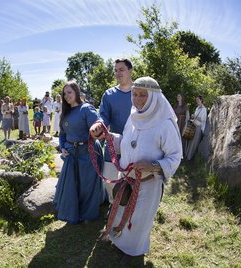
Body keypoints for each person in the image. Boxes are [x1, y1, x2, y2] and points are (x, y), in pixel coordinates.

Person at [90, 76, 182, 266]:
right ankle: (119, 242)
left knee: (138, 220)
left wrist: (153, 166)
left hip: (148, 183)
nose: (138, 99)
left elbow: (175, 156)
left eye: (143, 95)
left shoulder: (165, 124)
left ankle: (134, 253)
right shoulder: (133, 117)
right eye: (135, 94)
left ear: (154, 98)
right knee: (121, 211)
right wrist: (107, 136)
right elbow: (126, 142)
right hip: (126, 179)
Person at [53, 81, 104, 224]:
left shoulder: (86, 109)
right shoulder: (65, 113)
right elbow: (62, 134)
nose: (66, 96)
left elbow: (97, 124)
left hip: (88, 152)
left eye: (69, 92)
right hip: (71, 154)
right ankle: (74, 212)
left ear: (76, 92)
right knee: (73, 185)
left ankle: (88, 214)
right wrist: (62, 147)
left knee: (87, 185)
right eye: (64, 93)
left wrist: (97, 127)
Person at [91, 58, 133, 204]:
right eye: (115, 70)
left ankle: (130, 211)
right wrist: (99, 125)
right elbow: (103, 116)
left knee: (132, 181)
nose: (117, 73)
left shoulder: (140, 92)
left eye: (121, 69)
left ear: (130, 71)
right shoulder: (109, 94)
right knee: (109, 180)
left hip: (135, 145)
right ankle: (113, 206)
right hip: (113, 145)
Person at [185, 95, 207, 160]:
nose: (197, 101)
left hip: (199, 128)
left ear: (201, 100)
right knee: (190, 141)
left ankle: (190, 158)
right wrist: (192, 117)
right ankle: (187, 155)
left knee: (194, 143)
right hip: (194, 125)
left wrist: (195, 117)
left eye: (198, 100)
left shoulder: (204, 109)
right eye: (196, 100)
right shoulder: (197, 108)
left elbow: (203, 119)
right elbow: (195, 117)